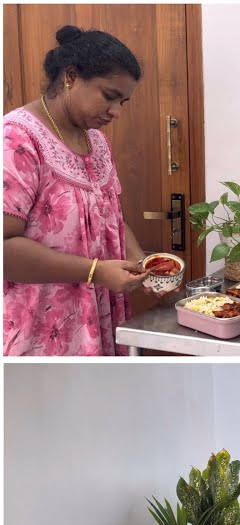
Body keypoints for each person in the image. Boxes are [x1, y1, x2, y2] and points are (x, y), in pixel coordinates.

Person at [3, 26, 170, 356]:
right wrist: (94, 271)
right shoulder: (16, 139)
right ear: (70, 76)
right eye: (109, 96)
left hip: (99, 317)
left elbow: (111, 219)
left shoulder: (96, 140)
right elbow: (4, 248)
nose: (116, 112)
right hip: (41, 327)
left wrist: (142, 261)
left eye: (123, 102)